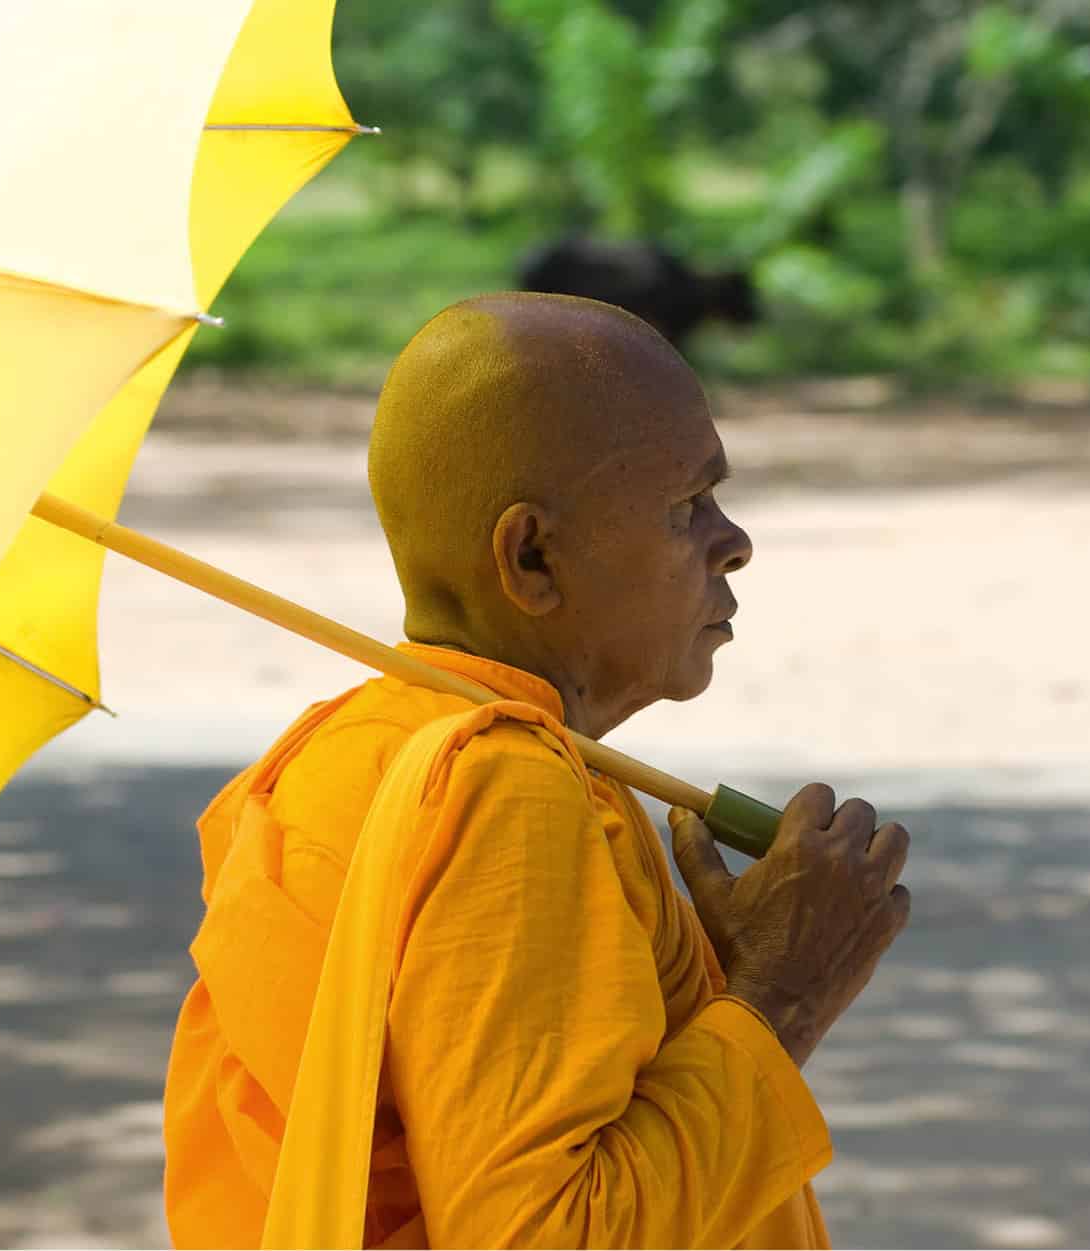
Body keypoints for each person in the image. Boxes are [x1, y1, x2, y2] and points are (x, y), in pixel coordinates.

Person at [162, 292, 912, 1248]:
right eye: (687, 506)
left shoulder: (348, 748)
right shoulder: (500, 791)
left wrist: (709, 983)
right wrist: (784, 995)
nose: (734, 541)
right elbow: (544, 1233)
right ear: (531, 557)